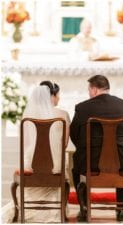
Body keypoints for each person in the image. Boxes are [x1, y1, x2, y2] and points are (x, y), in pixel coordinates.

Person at [70, 75, 123, 222]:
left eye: (89, 90)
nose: (89, 93)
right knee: (122, 160)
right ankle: (121, 210)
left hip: (91, 162)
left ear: (94, 89)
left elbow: (74, 134)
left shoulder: (83, 108)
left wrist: (85, 149)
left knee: (76, 165)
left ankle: (84, 208)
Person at [1, 82, 71, 223]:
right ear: (51, 95)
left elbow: (25, 144)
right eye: (58, 95)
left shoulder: (28, 116)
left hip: (31, 164)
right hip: (55, 166)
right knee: (63, 159)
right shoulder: (63, 115)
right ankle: (59, 211)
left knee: (29, 158)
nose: (59, 98)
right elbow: (64, 144)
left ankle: (22, 210)